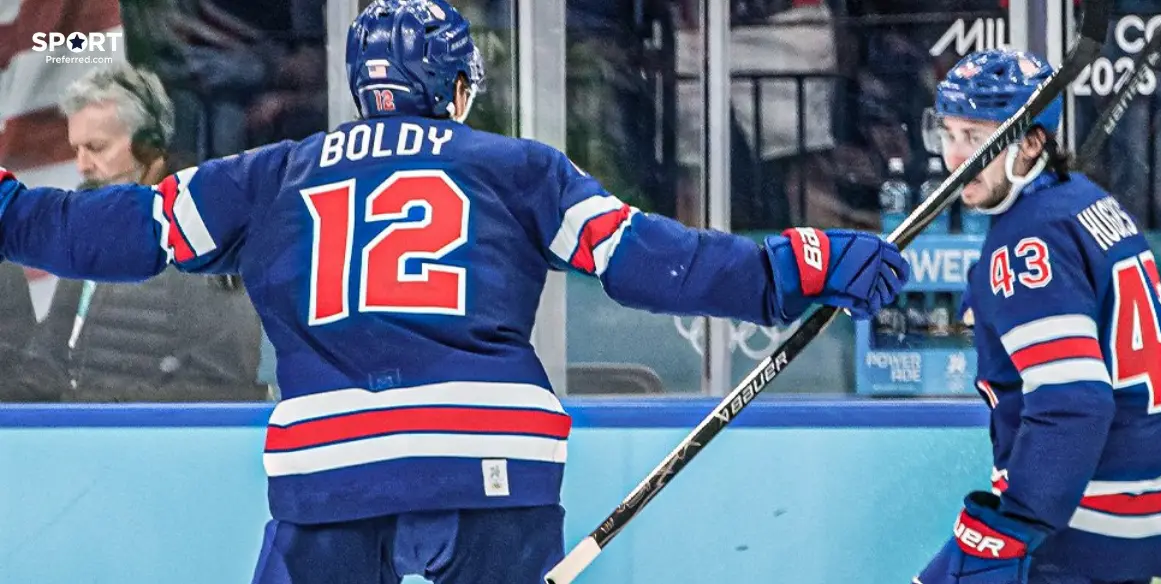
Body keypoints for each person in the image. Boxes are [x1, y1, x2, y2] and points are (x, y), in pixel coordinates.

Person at [0, 1, 909, 582]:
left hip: (332, 468)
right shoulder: (518, 168)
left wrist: (6, 210)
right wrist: (796, 266)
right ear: (457, 86)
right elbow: (650, 260)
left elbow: (116, 232)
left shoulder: (273, 174)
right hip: (492, 457)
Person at [914, 49, 1161, 584]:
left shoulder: (1029, 239)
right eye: (948, 134)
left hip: (1072, 518)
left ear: (1031, 143)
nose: (954, 157)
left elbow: (1071, 401)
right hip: (1130, 504)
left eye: (974, 137)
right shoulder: (1085, 201)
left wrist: (1015, 525)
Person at [16, 63, 266, 402]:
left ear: (150, 147)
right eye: (77, 150)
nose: (82, 166)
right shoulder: (88, 227)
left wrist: (95, 405)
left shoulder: (205, 233)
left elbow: (224, 387)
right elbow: (48, 361)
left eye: (96, 147)